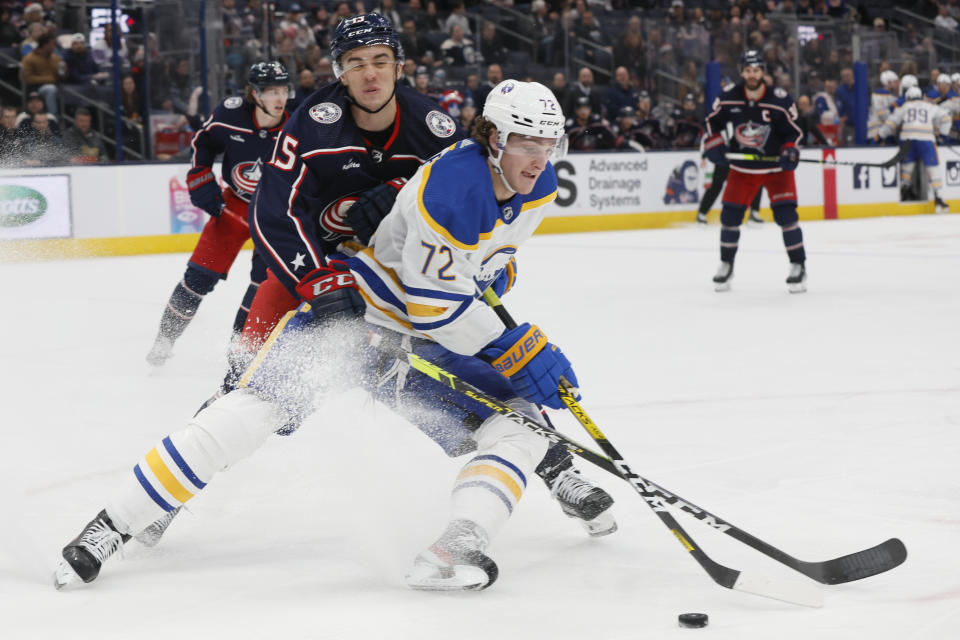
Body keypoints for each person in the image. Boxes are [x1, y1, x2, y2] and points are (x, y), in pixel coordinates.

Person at [145, 61, 292, 366]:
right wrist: (200, 179)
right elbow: (202, 143)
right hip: (233, 206)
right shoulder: (230, 113)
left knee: (263, 285)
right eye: (271, 91)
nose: (280, 98)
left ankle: (241, 349)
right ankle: (165, 340)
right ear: (254, 94)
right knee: (198, 277)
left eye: (283, 89)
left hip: (274, 212)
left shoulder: (297, 120)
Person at [703, 50, 807, 293]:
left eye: (756, 70)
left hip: (775, 168)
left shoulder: (779, 99)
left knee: (787, 217)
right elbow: (711, 123)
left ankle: (798, 266)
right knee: (729, 218)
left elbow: (795, 131)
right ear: (741, 72)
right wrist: (714, 142)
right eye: (748, 70)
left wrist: (790, 150)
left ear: (763, 72)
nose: (752, 75)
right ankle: (726, 264)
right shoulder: (729, 96)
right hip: (743, 168)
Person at [878, 86, 951, 214]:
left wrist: (879, 136)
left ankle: (905, 190)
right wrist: (942, 136)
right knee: (933, 169)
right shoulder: (930, 106)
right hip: (926, 140)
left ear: (908, 97)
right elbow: (946, 118)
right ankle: (938, 197)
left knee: (907, 166)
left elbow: (891, 122)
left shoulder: (905, 106)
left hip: (908, 140)